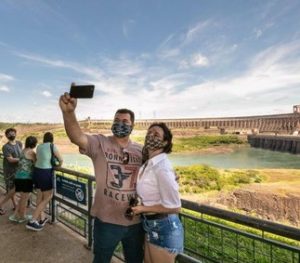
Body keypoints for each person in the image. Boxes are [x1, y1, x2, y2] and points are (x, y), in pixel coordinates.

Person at [59, 90, 144, 263]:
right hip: (106, 222)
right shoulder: (100, 143)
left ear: (132, 126)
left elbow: (156, 173)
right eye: (117, 120)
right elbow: (77, 137)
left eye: (125, 121)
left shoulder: (141, 151)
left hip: (136, 222)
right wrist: (69, 113)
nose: (120, 124)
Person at [131, 122, 184, 263]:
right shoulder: (148, 164)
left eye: (156, 135)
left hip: (164, 226)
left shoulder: (162, 167)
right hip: (151, 224)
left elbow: (175, 207)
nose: (151, 136)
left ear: (165, 142)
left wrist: (142, 208)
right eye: (149, 133)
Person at [26, 132, 63, 231]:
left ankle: (41, 218)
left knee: (39, 196)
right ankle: (32, 221)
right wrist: (58, 166)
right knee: (48, 196)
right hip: (45, 173)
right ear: (52, 139)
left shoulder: (39, 146)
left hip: (37, 171)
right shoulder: (52, 146)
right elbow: (61, 160)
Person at [9, 136, 37, 223]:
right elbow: (36, 163)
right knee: (24, 199)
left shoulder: (23, 151)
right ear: (34, 144)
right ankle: (22, 217)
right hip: (26, 178)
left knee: (23, 198)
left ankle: (18, 215)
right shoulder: (32, 152)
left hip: (18, 176)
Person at [0, 128, 22, 215]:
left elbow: (22, 154)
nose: (11, 134)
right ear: (6, 136)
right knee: (12, 189)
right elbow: (10, 160)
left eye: (13, 133)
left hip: (18, 170)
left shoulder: (19, 144)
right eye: (9, 133)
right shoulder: (5, 147)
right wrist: (22, 159)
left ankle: (16, 206)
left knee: (12, 190)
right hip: (10, 172)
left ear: (16, 134)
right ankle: (2, 205)